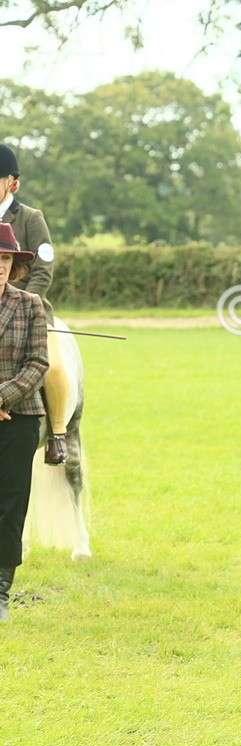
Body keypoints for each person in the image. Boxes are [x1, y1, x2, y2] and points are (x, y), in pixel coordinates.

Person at [1, 143, 67, 465]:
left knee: (52, 365)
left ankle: (57, 433)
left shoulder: (30, 218)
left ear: (12, 182)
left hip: (30, 310)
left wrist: (26, 301)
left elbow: (43, 267)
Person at [0, 221, 49, 622]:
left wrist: (1, 397)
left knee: (10, 504)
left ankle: (0, 590)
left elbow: (38, 363)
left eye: (5, 259)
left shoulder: (29, 304)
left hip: (19, 417)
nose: (0, 265)